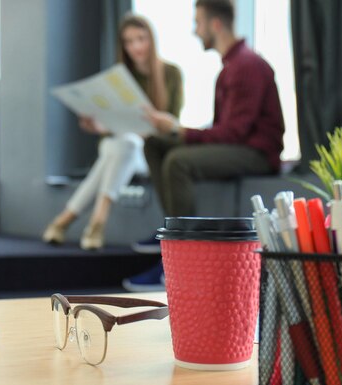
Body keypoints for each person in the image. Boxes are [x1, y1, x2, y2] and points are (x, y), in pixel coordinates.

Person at [123, 0, 285, 291]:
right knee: (156, 145)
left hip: (257, 154)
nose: (195, 31)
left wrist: (178, 129)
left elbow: (232, 134)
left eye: (197, 23)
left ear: (215, 24)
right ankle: (172, 228)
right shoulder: (231, 68)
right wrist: (173, 132)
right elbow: (224, 130)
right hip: (240, 145)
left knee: (178, 161)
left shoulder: (246, 66)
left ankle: (182, 253)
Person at [42, 14, 183, 250]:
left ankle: (65, 220)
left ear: (152, 39)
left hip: (149, 151)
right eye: (129, 41)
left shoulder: (171, 74)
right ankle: (97, 221)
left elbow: (173, 125)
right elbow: (113, 126)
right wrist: (99, 127)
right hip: (119, 145)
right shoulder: (120, 77)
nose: (136, 47)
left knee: (125, 146)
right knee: (122, 144)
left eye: (141, 38)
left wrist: (150, 129)